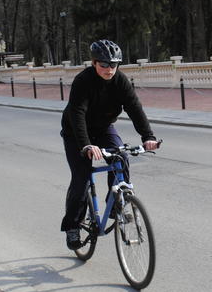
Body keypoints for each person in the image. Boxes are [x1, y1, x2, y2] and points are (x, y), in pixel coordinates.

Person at [60, 39, 159, 250]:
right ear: (94, 63)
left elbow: (134, 107)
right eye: (104, 64)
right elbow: (77, 114)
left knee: (121, 157)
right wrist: (86, 145)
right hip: (76, 134)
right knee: (82, 177)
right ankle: (73, 226)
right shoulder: (83, 81)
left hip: (103, 128)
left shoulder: (120, 81)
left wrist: (147, 136)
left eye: (113, 64)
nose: (109, 69)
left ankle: (116, 203)